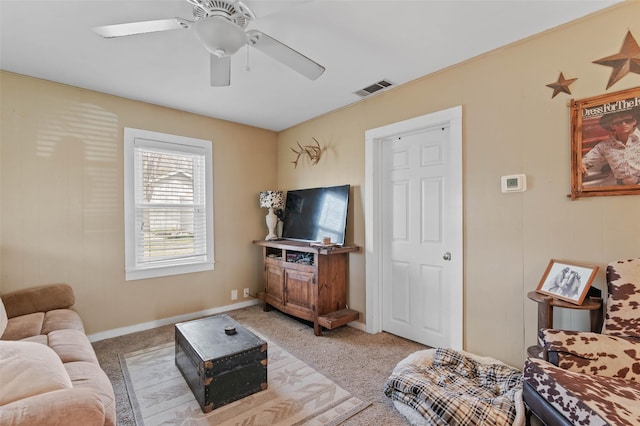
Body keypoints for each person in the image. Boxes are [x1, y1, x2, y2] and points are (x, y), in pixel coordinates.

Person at [581, 109, 640, 185]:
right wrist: (581, 163)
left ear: (634, 122)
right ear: (612, 126)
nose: (623, 124)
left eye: (628, 121)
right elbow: (585, 161)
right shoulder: (604, 146)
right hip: (621, 189)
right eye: (618, 123)